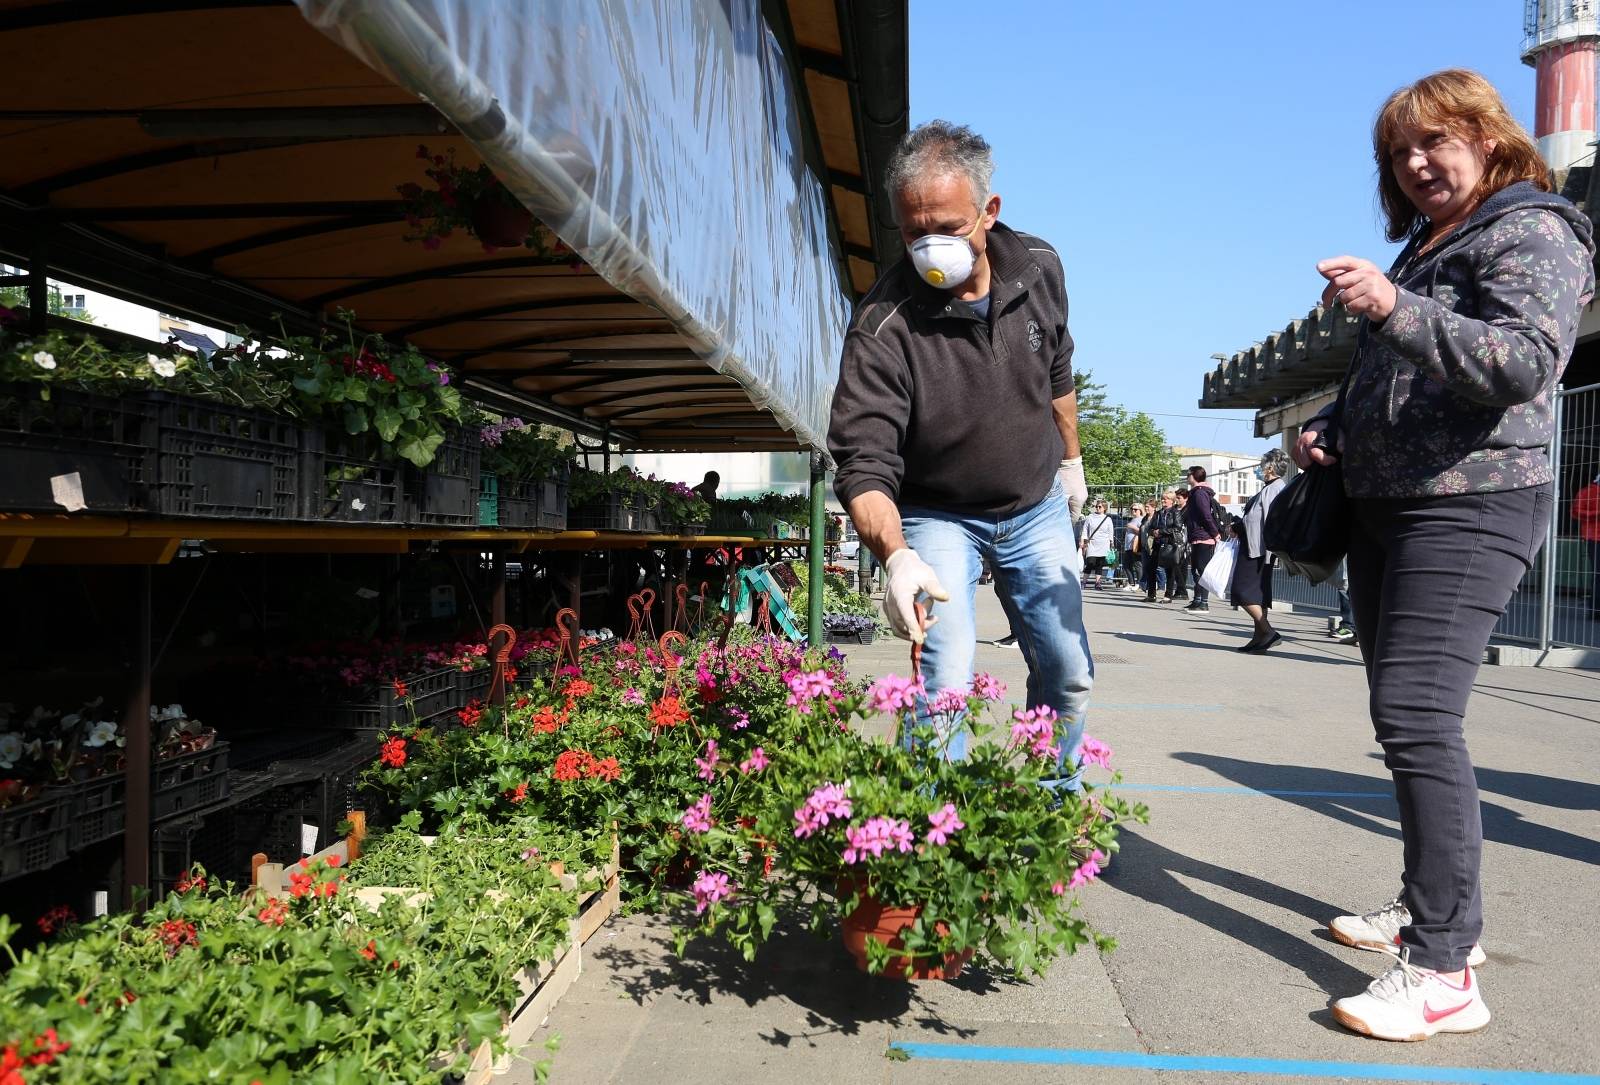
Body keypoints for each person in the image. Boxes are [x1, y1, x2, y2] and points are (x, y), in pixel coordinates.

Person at [1295, 69, 1594, 1041]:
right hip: (1389, 503)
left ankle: (1445, 965)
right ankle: (1427, 907)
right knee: (1405, 718)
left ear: (1488, 136)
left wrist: (1389, 307)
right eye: (1399, 152)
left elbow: (1522, 359)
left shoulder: (1531, 229)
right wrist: (1332, 429)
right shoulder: (1431, 246)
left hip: (1469, 504)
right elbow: (1395, 369)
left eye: (1435, 140)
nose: (1417, 162)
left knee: (1417, 714)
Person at [827, 120, 1091, 785]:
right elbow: (863, 455)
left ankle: (1050, 810)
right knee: (944, 677)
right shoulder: (884, 323)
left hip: (1035, 505)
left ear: (989, 211)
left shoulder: (1041, 267)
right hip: (936, 513)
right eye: (912, 232)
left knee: (1068, 670)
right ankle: (934, 840)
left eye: (945, 225)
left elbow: (1058, 373)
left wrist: (1072, 462)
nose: (929, 247)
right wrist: (896, 555)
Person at [1230, 449, 1289, 652]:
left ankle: (1268, 631)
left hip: (1259, 550)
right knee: (1256, 595)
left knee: (1242, 591)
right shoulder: (1268, 488)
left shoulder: (1276, 488)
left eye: (1261, 465)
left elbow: (1270, 521)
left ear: (1270, 467)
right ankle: (1260, 637)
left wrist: (1240, 526)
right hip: (1254, 547)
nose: (1259, 469)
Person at [1182, 466, 1224, 611]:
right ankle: (1197, 599)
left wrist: (1214, 533)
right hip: (1197, 536)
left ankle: (1204, 602)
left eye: (1188, 474)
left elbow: (1206, 515)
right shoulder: (1195, 493)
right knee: (1195, 570)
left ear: (1194, 476)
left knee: (1202, 570)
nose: (1187, 477)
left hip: (1204, 536)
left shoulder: (1199, 494)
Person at [1570, 473, 1600, 617]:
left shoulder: (1586, 491)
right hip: (1594, 537)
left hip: (1593, 536)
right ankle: (1595, 610)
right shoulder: (1587, 492)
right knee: (1598, 573)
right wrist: (1596, 514)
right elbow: (1575, 512)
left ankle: (1595, 610)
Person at [1080, 500, 1114, 589]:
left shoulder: (1108, 519)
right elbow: (1084, 530)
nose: (1098, 508)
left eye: (1100, 507)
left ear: (1104, 508)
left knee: (1100, 564)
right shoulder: (1090, 517)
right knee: (1090, 563)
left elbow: (1111, 533)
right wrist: (1082, 541)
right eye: (1097, 506)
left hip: (1104, 544)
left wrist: (1111, 544)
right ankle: (1083, 582)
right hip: (1092, 543)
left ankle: (1097, 583)